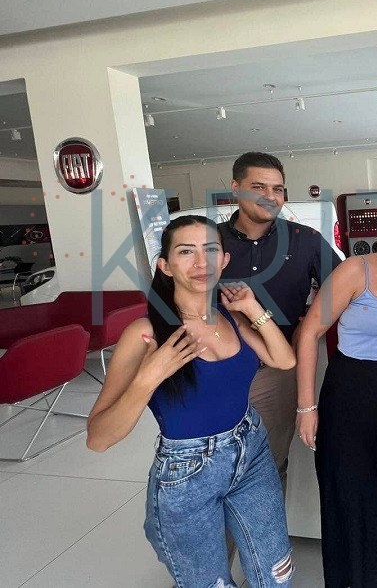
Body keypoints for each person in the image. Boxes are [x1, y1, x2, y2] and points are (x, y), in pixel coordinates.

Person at [86, 215, 295, 588]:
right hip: (188, 471)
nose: (201, 262)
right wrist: (149, 376)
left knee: (277, 575)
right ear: (165, 266)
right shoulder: (145, 333)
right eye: (186, 252)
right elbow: (98, 438)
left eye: (211, 250)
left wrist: (252, 309)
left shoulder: (228, 315)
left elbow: (284, 360)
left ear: (224, 260)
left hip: (252, 450)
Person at [295, 192, 377, 587]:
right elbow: (310, 333)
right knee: (355, 495)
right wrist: (306, 407)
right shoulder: (355, 270)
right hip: (350, 397)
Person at [218, 151, 342, 491]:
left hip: (275, 370)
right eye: (259, 187)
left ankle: (264, 528)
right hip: (216, 368)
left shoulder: (305, 240)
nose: (270, 197)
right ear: (236, 187)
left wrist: (309, 323)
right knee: (216, 465)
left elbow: (341, 287)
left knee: (268, 464)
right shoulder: (210, 240)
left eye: (278, 189)